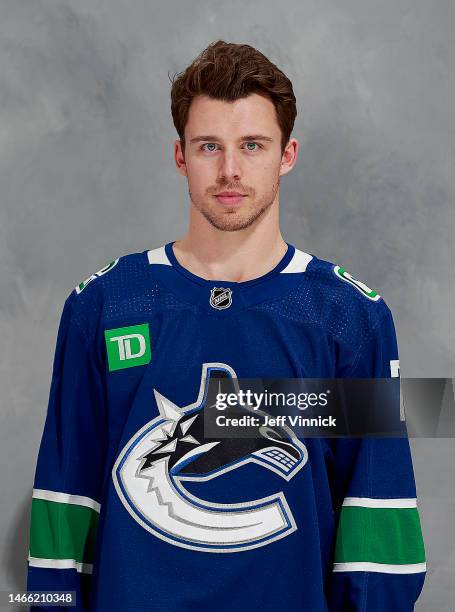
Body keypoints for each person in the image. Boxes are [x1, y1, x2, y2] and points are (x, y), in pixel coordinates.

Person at [27, 40, 426, 611]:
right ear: (179, 156)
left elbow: (378, 530)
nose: (230, 170)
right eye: (209, 145)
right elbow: (64, 510)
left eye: (253, 145)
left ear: (287, 154)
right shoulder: (105, 305)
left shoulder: (351, 317)